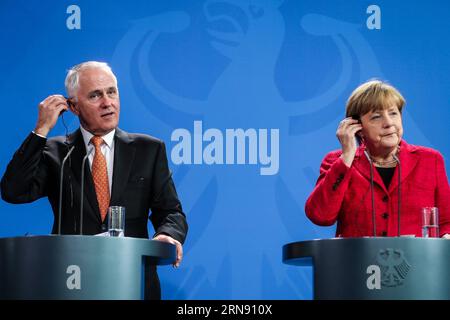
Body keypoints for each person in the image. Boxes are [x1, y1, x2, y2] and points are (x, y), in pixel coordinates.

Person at [0, 61, 188, 299]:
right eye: (95, 95)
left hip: (132, 281)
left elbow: (171, 211)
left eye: (112, 92)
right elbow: (13, 191)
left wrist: (167, 234)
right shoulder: (56, 151)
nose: (107, 102)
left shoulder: (149, 150)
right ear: (74, 107)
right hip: (70, 283)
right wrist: (41, 130)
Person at [305, 80, 450, 238]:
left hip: (415, 261)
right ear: (357, 127)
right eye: (376, 117)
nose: (389, 123)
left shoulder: (430, 160)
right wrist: (347, 156)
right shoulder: (337, 161)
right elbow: (320, 216)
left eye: (393, 113)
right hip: (357, 261)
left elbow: (446, 222)